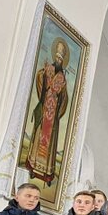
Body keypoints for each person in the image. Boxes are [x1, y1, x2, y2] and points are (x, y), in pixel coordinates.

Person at [24, 37, 69, 184]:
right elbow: (40, 81)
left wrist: (57, 113)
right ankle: (32, 167)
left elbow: (64, 98)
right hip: (44, 112)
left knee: (49, 146)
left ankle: (46, 174)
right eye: (57, 57)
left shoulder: (63, 78)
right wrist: (43, 75)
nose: (58, 60)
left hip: (52, 116)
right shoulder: (48, 70)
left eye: (60, 58)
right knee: (38, 139)